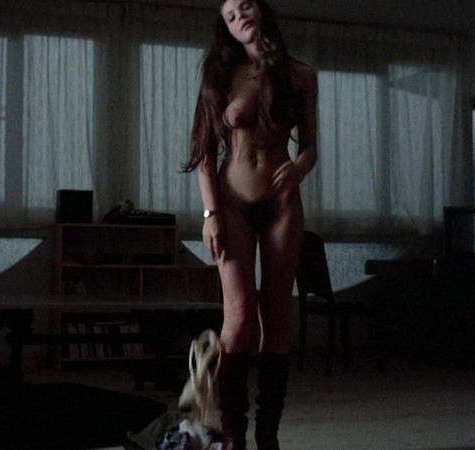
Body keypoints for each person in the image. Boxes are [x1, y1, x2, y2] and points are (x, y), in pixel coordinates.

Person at [182, 1, 318, 448]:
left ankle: (268, 437)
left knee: (276, 317)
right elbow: (205, 152)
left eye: (245, 6)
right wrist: (211, 215)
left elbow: (310, 147)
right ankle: (233, 437)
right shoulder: (220, 74)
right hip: (233, 203)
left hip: (282, 204)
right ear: (226, 28)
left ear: (261, 9)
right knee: (239, 317)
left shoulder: (301, 75)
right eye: (229, 15)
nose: (239, 16)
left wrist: (298, 168)